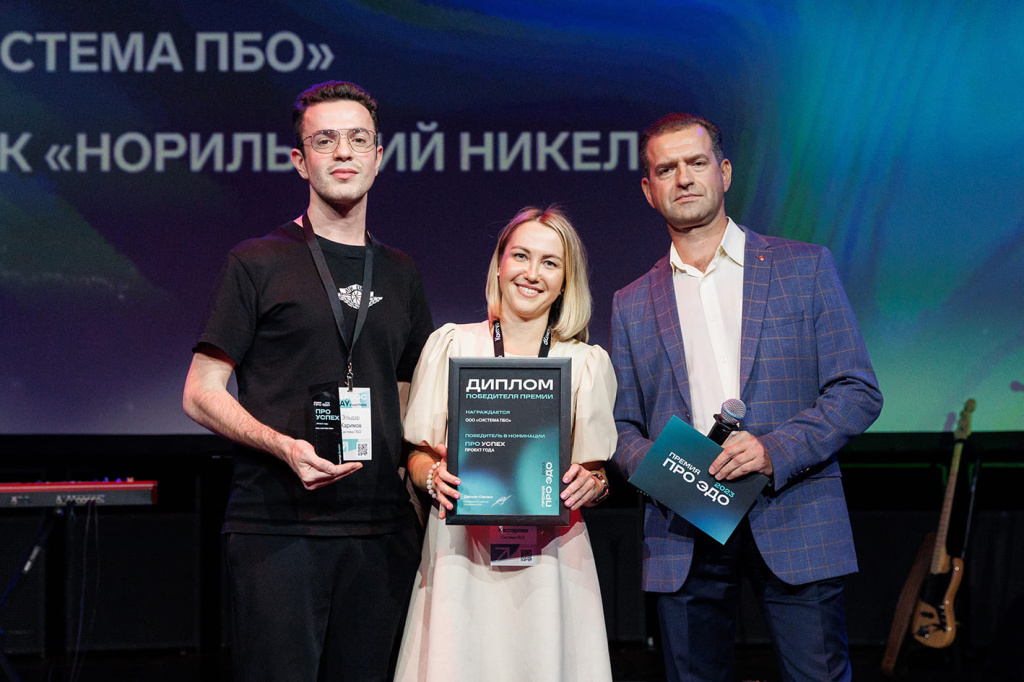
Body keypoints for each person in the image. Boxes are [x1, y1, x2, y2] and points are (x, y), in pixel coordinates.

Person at [610, 113, 883, 682]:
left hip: (794, 512)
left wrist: (772, 450)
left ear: (725, 172)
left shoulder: (804, 267)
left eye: (697, 162)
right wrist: (670, 472)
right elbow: (620, 427)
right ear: (649, 190)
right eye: (666, 169)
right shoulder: (631, 301)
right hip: (685, 528)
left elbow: (857, 390)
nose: (684, 178)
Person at [182, 81, 434, 682]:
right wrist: (283, 447)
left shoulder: (401, 272)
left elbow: (408, 396)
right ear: (301, 160)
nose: (343, 152)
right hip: (278, 526)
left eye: (358, 139)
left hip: (381, 530)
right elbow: (200, 392)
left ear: (379, 156)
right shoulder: (256, 261)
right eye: (325, 141)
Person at [394, 207, 616, 682]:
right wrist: (432, 477)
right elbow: (417, 454)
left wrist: (593, 485)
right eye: (521, 256)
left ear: (565, 281)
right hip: (460, 554)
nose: (532, 273)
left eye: (550, 263)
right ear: (499, 264)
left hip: (551, 558)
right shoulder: (451, 345)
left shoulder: (585, 362)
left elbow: (595, 471)